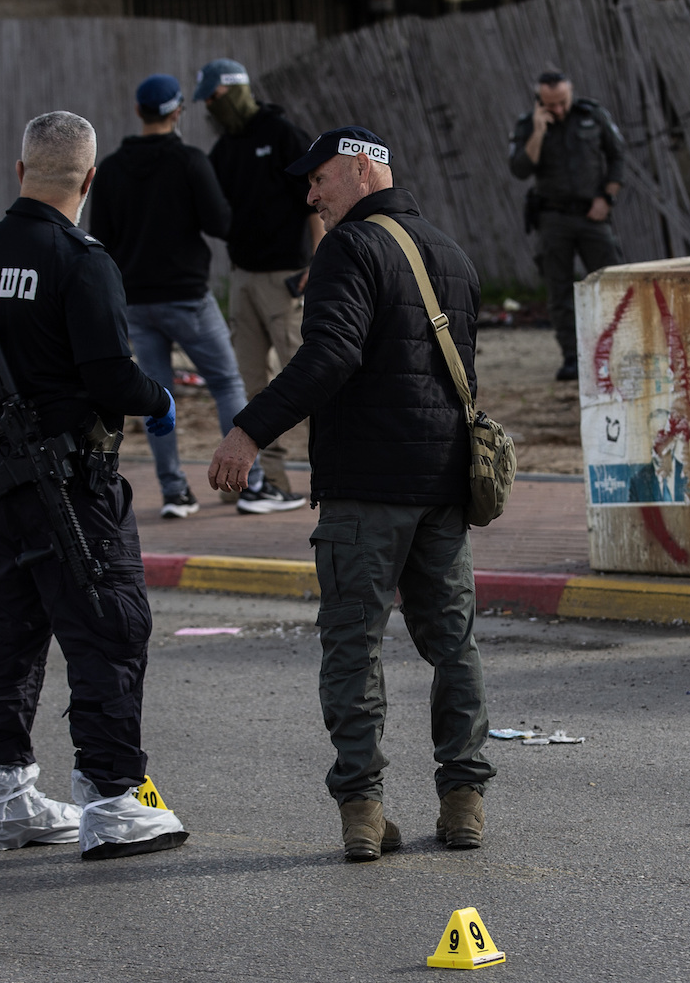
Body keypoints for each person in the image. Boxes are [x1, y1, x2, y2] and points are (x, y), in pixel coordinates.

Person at [206, 127, 495, 862]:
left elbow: (330, 354)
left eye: (320, 180)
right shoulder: (453, 255)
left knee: (353, 647)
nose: (310, 195)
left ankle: (362, 810)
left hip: (368, 490)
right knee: (453, 647)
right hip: (442, 485)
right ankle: (464, 803)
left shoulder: (347, 249)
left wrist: (249, 430)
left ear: (365, 171)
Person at [0, 109, 188, 859]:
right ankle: (113, 799)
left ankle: (3, 793)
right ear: (89, 178)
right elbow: (109, 376)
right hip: (70, 484)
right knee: (109, 630)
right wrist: (161, 397)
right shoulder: (82, 260)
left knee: (12, 632)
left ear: (19, 172)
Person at [92, 72, 275, 519]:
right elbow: (220, 224)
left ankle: (175, 493)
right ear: (178, 112)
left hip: (135, 300)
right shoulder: (190, 160)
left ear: (139, 111)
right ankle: (250, 486)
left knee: (159, 397)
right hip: (188, 297)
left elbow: (101, 238)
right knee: (227, 383)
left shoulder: (112, 168)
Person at [197, 57, 316, 514]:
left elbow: (312, 198)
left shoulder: (281, 133)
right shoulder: (224, 149)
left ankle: (340, 476)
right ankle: (268, 483)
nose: (210, 106)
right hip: (242, 276)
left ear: (235, 89)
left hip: (285, 275)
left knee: (301, 379)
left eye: (214, 97)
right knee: (251, 383)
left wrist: (318, 258)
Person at [508, 71, 624, 382]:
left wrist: (607, 198)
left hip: (592, 214)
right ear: (539, 101)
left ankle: (620, 351)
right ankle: (573, 358)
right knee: (559, 291)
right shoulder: (528, 124)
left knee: (612, 283)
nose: (558, 109)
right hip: (553, 218)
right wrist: (538, 130)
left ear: (570, 93)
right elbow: (520, 168)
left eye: (562, 102)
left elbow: (617, 156)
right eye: (550, 104)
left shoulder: (592, 115)